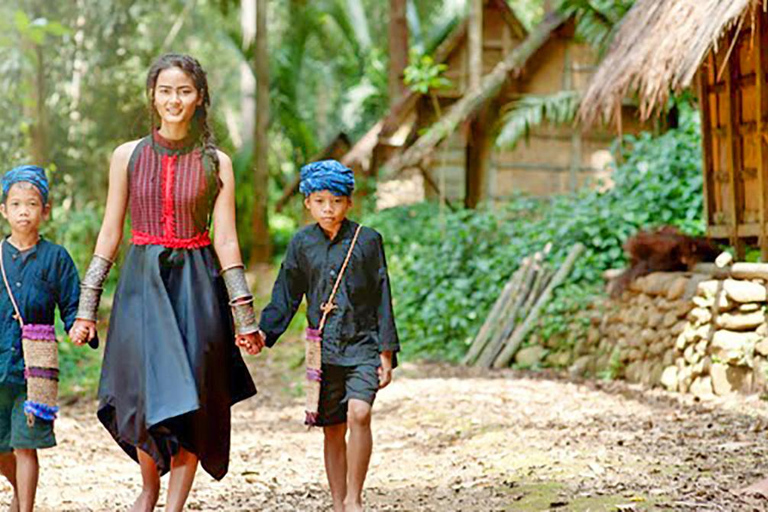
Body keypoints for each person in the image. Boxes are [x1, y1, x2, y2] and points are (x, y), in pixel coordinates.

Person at [70, 53, 260, 512]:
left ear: (200, 99)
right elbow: (111, 231)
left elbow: (228, 240)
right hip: (140, 284)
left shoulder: (218, 163)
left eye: (185, 91)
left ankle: (173, 505)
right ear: (152, 97)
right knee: (137, 390)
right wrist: (86, 308)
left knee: (195, 392)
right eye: (165, 91)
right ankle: (149, 488)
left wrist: (245, 317)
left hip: (198, 287)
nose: (174, 100)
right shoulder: (127, 156)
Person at [257, 159, 400, 512]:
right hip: (323, 349)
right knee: (332, 428)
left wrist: (386, 351)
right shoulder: (301, 243)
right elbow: (287, 293)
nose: (328, 208)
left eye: (336, 201)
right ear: (307, 202)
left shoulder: (367, 241)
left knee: (360, 414)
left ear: (349, 203)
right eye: (320, 201)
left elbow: (383, 294)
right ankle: (338, 504)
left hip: (363, 342)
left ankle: (354, 498)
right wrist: (264, 331)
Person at [0, 165, 81, 512]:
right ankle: (19, 494)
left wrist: (79, 326)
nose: (23, 211)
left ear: (45, 210)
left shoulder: (56, 259)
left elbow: (72, 305)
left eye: (31, 204)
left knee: (25, 444)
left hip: (36, 369)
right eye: (15, 204)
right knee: (3, 450)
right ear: (3, 210)